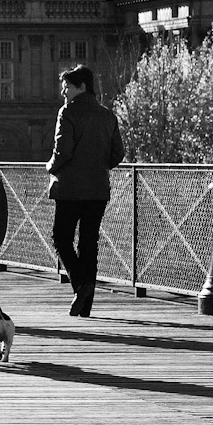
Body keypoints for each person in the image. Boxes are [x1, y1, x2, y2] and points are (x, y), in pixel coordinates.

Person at [46, 63, 126, 318]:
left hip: (70, 188)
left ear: (81, 87)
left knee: (61, 237)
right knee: (89, 242)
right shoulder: (107, 115)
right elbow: (118, 154)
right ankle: (86, 304)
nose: (63, 92)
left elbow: (63, 151)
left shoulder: (67, 112)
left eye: (67, 87)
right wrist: (99, 167)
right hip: (98, 188)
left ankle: (81, 286)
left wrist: (51, 166)